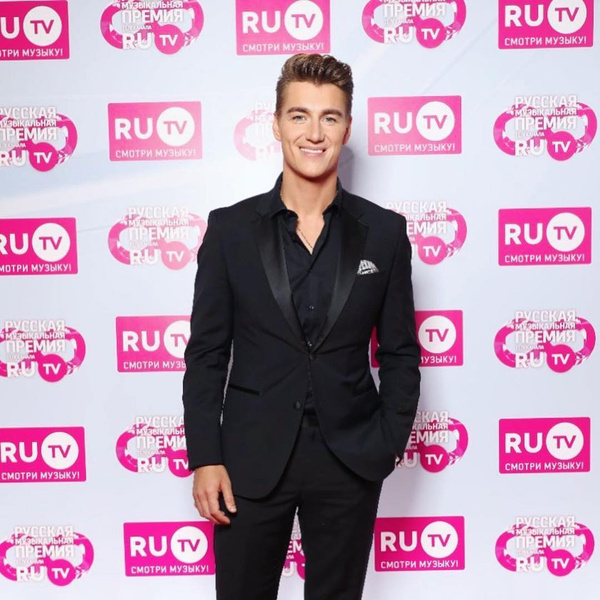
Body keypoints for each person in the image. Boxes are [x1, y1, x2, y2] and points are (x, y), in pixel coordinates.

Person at [182, 53, 421, 600]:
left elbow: (401, 352)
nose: (314, 133)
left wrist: (387, 442)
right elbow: (207, 354)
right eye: (299, 116)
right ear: (276, 123)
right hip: (249, 457)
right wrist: (206, 456)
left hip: (350, 457)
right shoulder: (230, 230)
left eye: (329, 117)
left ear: (347, 128)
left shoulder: (384, 233)